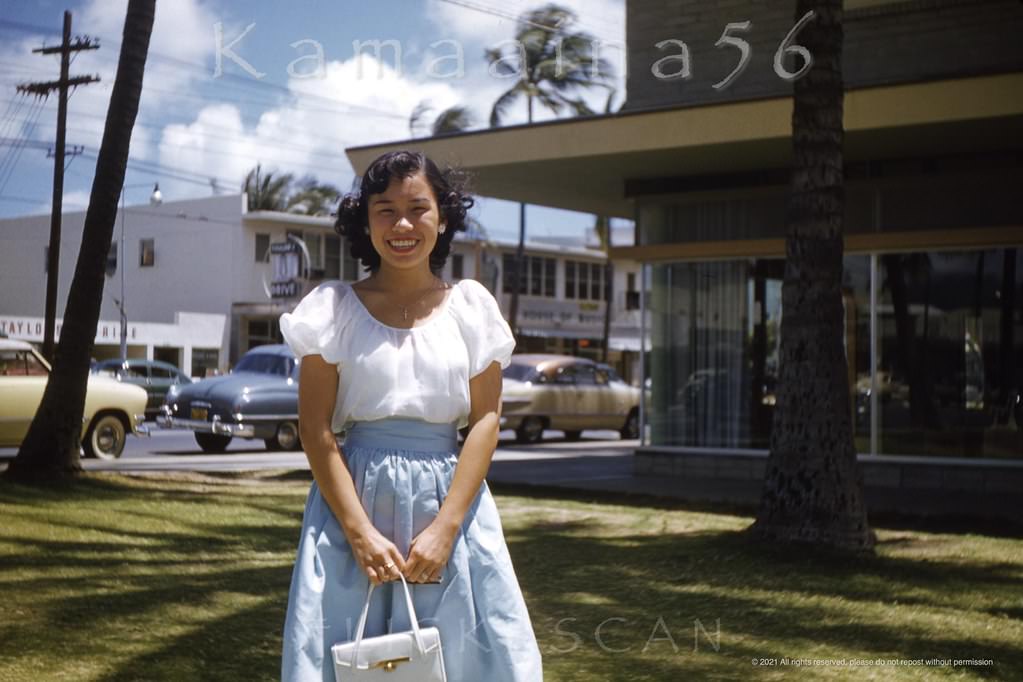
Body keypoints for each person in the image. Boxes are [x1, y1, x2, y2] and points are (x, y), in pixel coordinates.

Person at [278, 150, 543, 681]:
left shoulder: (471, 308)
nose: (402, 224)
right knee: (350, 658)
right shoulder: (331, 310)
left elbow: (485, 421)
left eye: (417, 207)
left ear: (442, 217)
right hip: (353, 508)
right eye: (385, 209)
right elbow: (315, 429)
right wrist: (359, 533)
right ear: (365, 221)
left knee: (471, 656)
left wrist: (446, 528)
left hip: (452, 507)